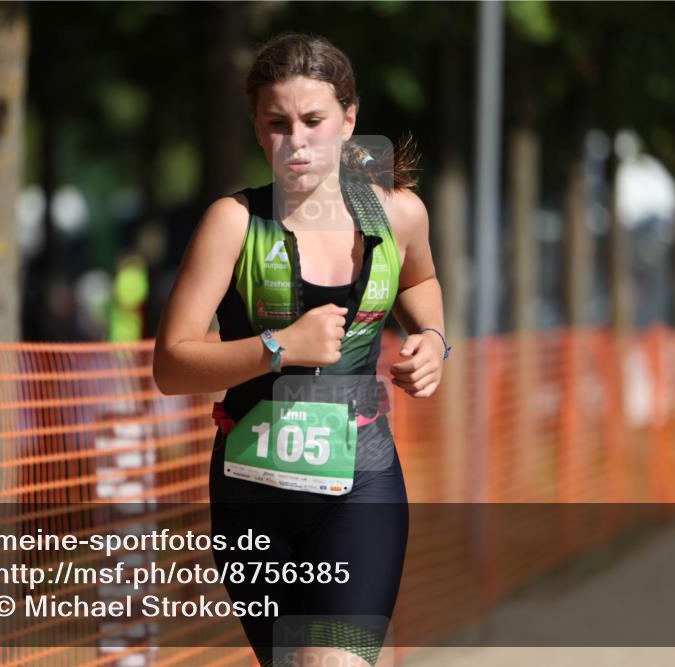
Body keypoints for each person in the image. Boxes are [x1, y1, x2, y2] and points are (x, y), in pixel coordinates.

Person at [153, 32, 449, 667]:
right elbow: (172, 364)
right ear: (257, 130)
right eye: (277, 123)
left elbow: (419, 280)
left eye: (314, 120)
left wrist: (432, 338)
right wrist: (277, 348)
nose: (297, 141)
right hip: (252, 490)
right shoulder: (233, 223)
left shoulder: (398, 214)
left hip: (362, 479)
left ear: (349, 120)